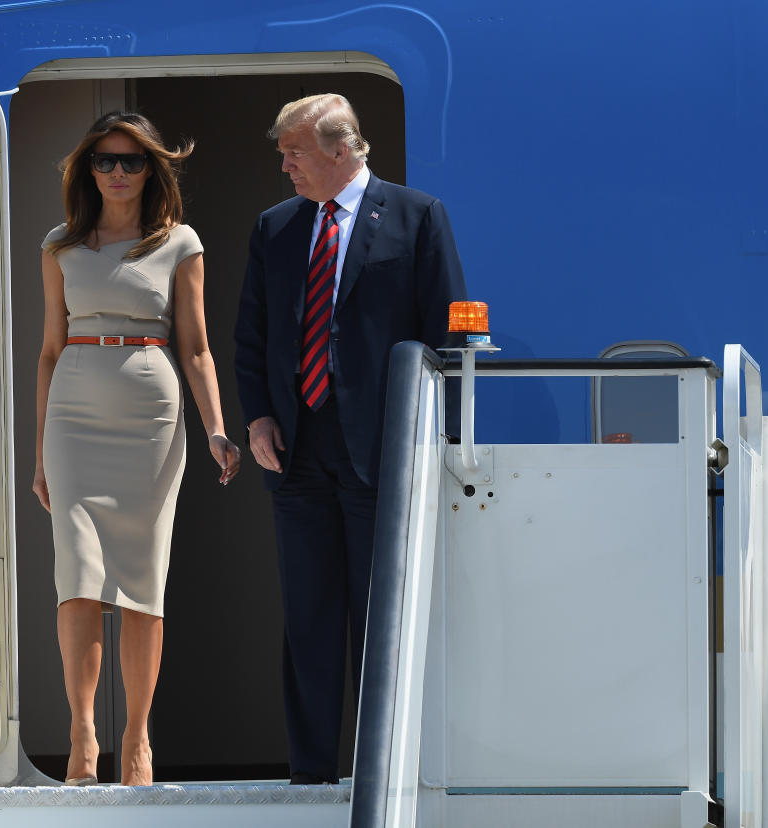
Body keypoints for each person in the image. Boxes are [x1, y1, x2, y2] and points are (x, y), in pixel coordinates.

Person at [233, 94, 466, 784]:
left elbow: (448, 332)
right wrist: (258, 417)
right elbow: (253, 333)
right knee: (308, 618)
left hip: (382, 447)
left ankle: (380, 771)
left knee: (378, 619)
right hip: (297, 448)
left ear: (341, 149)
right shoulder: (275, 227)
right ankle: (310, 773)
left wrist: (435, 441)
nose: (284, 166)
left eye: (294, 152)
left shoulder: (417, 216)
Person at [34, 111, 241, 787]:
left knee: (143, 579)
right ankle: (83, 733)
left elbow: (199, 347)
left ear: (151, 169)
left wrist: (215, 427)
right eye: (104, 161)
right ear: (87, 169)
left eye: (131, 161)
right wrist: (39, 454)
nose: (117, 173)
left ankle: (137, 739)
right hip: (73, 411)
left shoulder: (179, 242)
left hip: (151, 411)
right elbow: (47, 352)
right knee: (78, 575)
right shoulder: (61, 245)